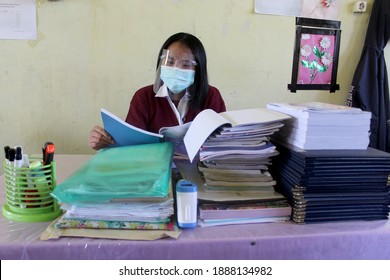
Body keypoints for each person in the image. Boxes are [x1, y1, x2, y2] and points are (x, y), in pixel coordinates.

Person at [88, 32, 226, 150]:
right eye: (170, 62)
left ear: (198, 69)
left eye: (185, 64)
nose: (175, 69)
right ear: (161, 63)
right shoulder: (144, 97)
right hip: (153, 171)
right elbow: (131, 146)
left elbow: (222, 143)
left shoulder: (211, 96)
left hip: (200, 172)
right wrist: (105, 142)